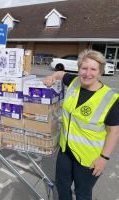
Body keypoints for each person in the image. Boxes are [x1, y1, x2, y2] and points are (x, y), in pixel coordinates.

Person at [43, 49, 119, 200]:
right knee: (62, 187)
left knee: (82, 194)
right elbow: (60, 74)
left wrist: (104, 159)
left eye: (93, 69)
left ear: (100, 72)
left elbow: (113, 131)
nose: (87, 73)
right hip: (65, 151)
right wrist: (52, 77)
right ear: (78, 69)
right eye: (84, 68)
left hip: (88, 159)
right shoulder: (74, 81)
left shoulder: (110, 99)